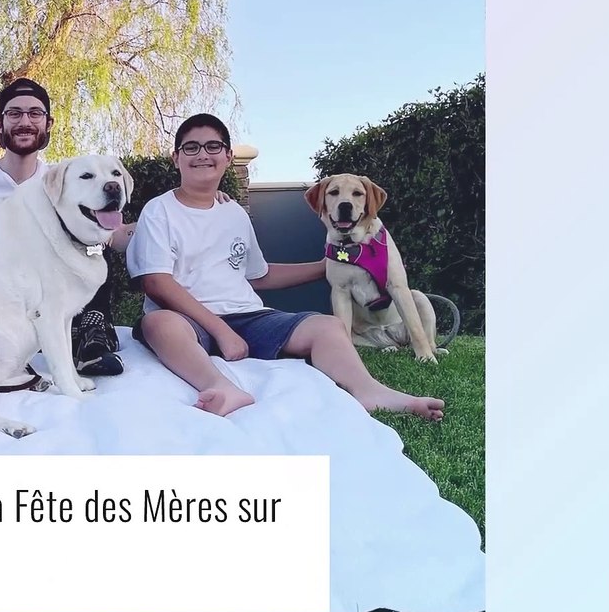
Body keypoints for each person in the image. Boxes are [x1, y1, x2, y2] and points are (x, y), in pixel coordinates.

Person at [0, 77, 233, 376]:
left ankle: (90, 334)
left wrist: (180, 207)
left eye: (35, 113)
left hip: (52, 286)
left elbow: (112, 234)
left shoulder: (67, 179)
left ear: (49, 124)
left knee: (88, 254)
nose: (25, 121)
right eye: (14, 114)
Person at [126, 113, 445, 421]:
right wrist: (221, 331)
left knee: (327, 326)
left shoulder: (233, 212)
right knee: (159, 323)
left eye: (213, 147)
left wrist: (327, 266)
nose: (202, 155)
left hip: (249, 317)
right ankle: (220, 387)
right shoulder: (159, 210)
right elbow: (156, 283)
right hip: (188, 321)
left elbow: (259, 275)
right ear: (176, 158)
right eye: (191, 147)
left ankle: (369, 391)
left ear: (227, 157)